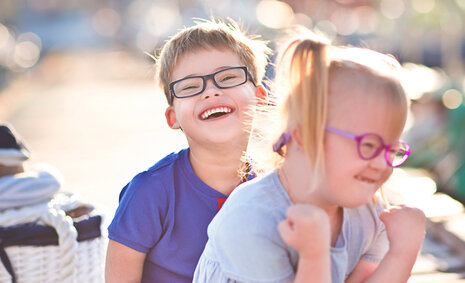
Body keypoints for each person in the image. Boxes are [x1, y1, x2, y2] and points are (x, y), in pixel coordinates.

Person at [193, 31, 426, 283]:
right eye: (368, 146)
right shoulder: (251, 219)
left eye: (391, 151)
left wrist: (403, 252)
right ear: (304, 137)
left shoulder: (369, 212)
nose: (382, 165)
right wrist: (314, 256)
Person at [105, 19, 270, 282]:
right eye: (190, 87)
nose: (211, 92)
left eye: (228, 77)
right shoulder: (150, 192)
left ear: (261, 99)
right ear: (173, 118)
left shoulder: (273, 186)